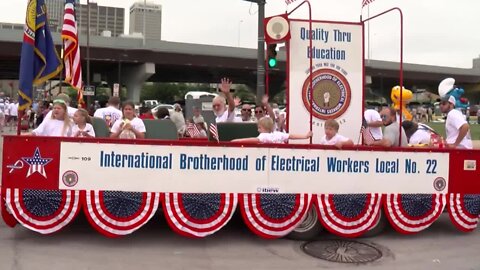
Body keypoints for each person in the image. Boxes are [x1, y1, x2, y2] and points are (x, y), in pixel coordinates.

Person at [231, 117, 312, 144]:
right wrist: (305, 136)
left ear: (263, 127)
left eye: (259, 128)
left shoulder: (263, 136)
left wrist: (238, 141)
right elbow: (291, 136)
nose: (258, 130)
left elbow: (253, 140)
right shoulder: (278, 134)